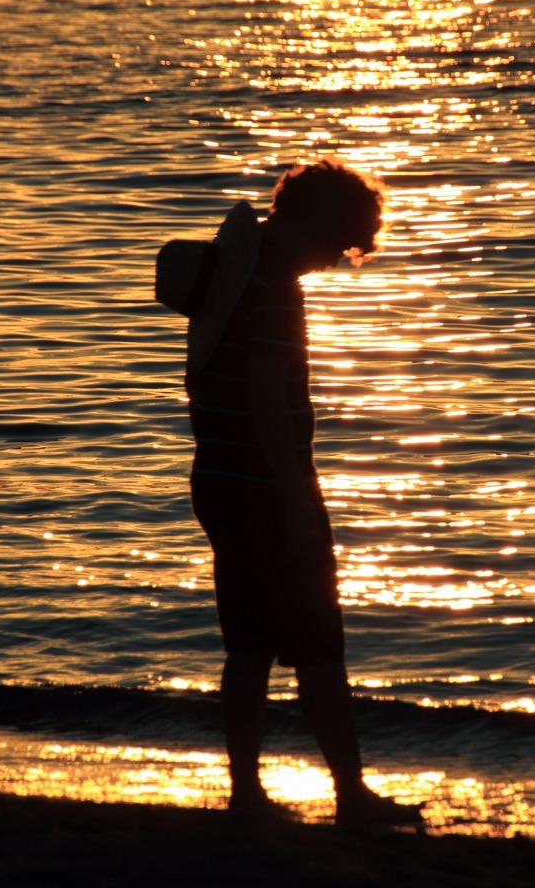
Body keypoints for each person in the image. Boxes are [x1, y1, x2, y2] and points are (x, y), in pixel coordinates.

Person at [156, 159, 423, 827]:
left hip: (217, 476)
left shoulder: (231, 275)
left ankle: (247, 796)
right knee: (319, 648)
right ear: (319, 226)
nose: (338, 261)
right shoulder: (275, 286)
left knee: (248, 644)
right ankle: (351, 797)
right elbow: (268, 399)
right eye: (340, 246)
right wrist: (298, 500)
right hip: (266, 486)